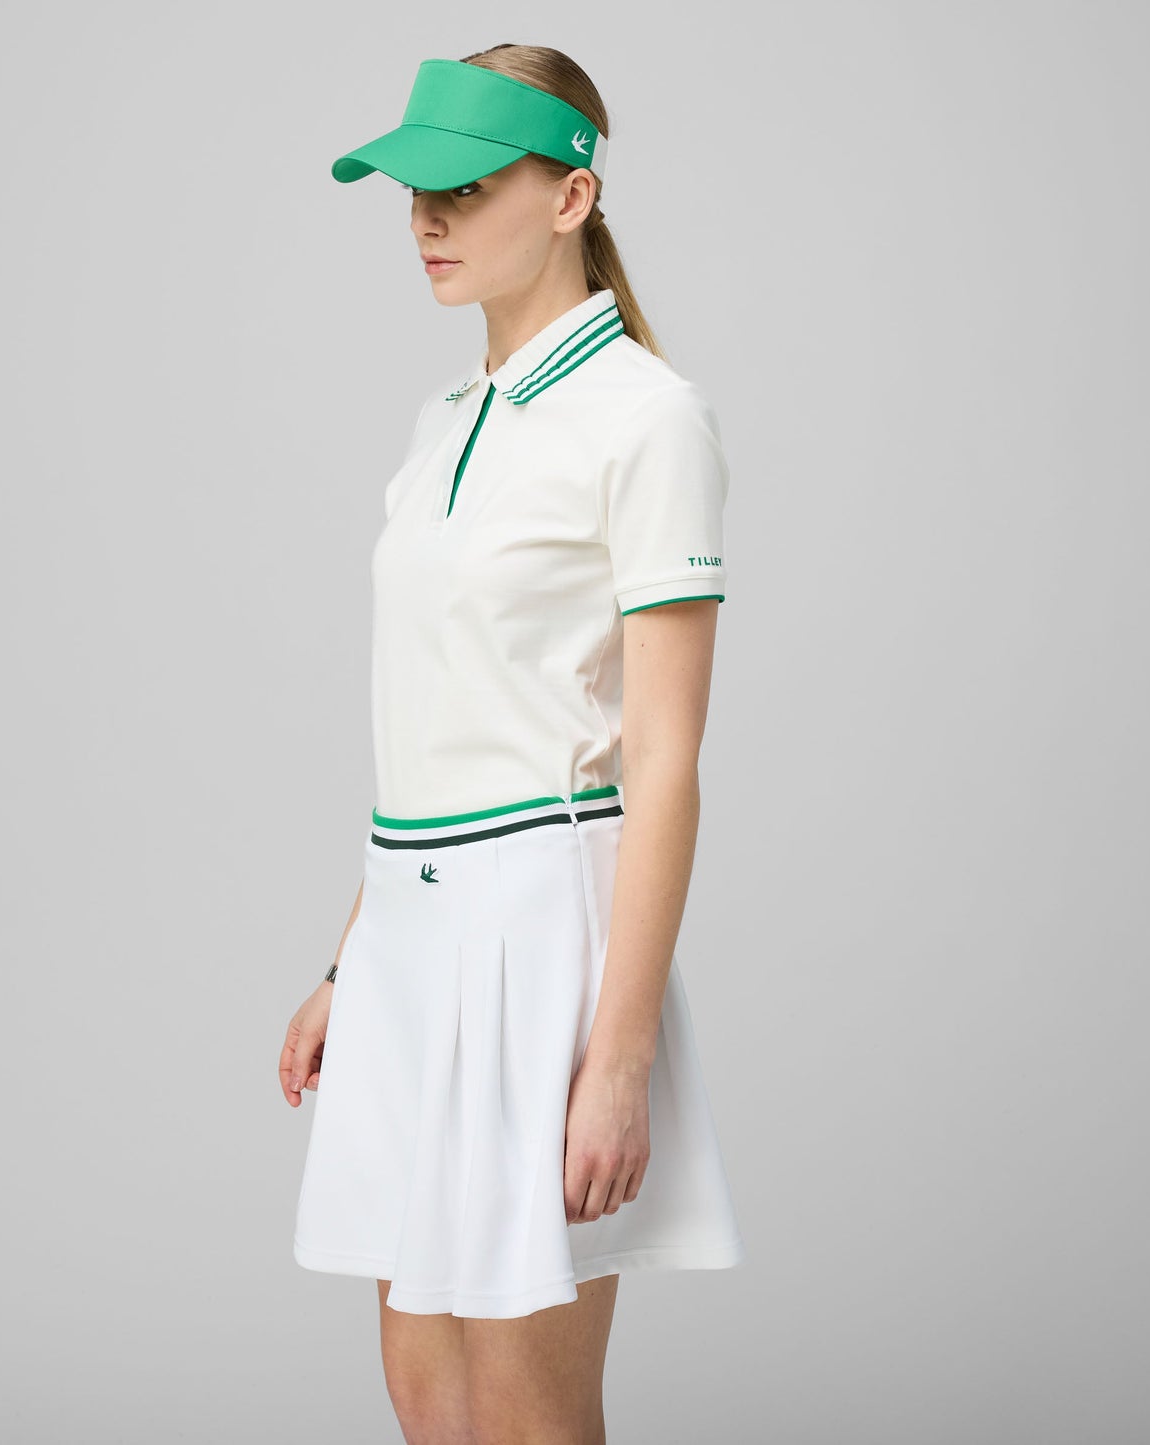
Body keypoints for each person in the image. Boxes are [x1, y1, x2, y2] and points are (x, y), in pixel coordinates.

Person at [279, 43, 746, 1443]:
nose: (428, 219)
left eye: (468, 188)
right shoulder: (442, 422)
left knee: (524, 1408)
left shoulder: (646, 419)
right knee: (424, 1393)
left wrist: (616, 1058)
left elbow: (662, 761)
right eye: (414, 191)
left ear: (569, 195)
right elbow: (441, 720)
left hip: (541, 940)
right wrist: (347, 961)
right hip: (410, 934)